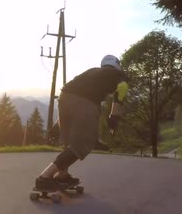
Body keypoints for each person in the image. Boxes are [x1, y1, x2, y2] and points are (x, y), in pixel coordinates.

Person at [34, 54, 128, 191]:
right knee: (82, 144)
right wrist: (113, 118)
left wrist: (56, 125)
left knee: (69, 143)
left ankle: (62, 176)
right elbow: (122, 90)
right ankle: (44, 178)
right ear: (117, 65)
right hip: (86, 102)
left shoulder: (92, 72)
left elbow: (73, 99)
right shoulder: (118, 74)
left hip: (63, 97)